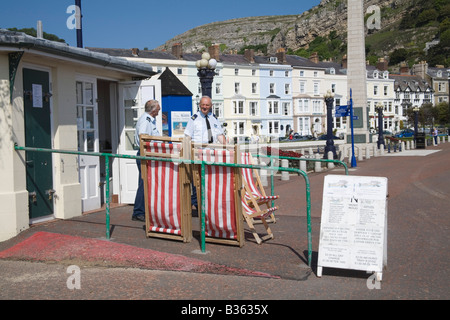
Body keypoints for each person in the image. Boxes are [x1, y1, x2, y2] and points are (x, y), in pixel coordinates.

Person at [184, 96, 225, 215]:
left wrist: (228, 148)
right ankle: (196, 205)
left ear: (211, 106)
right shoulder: (194, 118)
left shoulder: (213, 118)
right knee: (197, 180)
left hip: (210, 153)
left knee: (208, 180)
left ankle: (205, 205)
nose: (204, 107)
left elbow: (219, 135)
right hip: (197, 153)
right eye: (203, 105)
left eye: (207, 105)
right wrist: (187, 152)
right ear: (199, 105)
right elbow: (187, 136)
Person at [132, 100, 161, 221]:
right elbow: (143, 136)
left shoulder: (148, 119)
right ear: (153, 110)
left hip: (148, 154)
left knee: (146, 183)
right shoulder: (146, 120)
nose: (159, 110)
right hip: (145, 154)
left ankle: (142, 210)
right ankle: (138, 212)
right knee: (144, 183)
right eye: (158, 108)